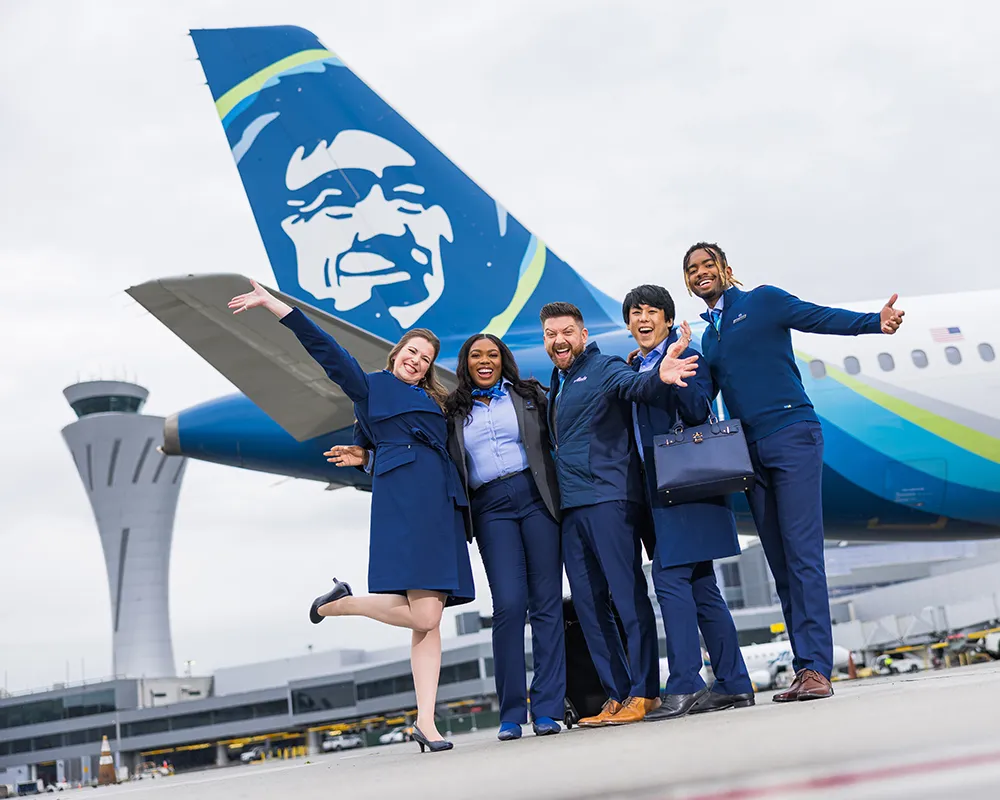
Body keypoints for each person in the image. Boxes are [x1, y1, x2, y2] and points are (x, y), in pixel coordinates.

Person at [227, 280, 474, 753]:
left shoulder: (437, 400)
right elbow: (327, 350)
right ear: (396, 352)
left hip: (441, 505)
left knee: (430, 619)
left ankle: (427, 721)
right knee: (425, 613)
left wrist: (365, 456)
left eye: (424, 358)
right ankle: (337, 605)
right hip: (404, 508)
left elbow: (408, 448)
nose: (417, 360)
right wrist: (276, 306)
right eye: (411, 351)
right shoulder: (371, 387)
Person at [683, 242, 904, 701]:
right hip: (749, 451)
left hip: (791, 434)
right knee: (781, 562)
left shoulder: (762, 300)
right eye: (692, 269)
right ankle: (806, 667)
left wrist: (873, 324)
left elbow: (818, 316)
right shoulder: (709, 337)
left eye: (707, 265)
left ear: (726, 269)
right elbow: (701, 397)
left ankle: (818, 669)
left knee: (803, 554)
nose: (700, 273)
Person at [333, 334, 566, 742]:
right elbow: (411, 443)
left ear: (504, 360)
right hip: (490, 506)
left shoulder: (529, 395)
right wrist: (368, 456)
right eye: (476, 355)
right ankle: (511, 714)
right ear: (465, 364)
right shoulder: (452, 408)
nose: (485, 361)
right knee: (509, 605)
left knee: (546, 604)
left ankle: (547, 709)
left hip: (535, 498)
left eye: (493, 354)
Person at [540, 301, 699, 727]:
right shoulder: (559, 380)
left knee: (627, 598)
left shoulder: (606, 367)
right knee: (590, 607)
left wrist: (660, 376)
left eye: (567, 332)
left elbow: (637, 387)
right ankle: (617, 695)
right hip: (572, 507)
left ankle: (645, 692)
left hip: (608, 499)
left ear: (583, 335)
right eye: (551, 334)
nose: (559, 341)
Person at [621, 285, 754, 721]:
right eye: (635, 313)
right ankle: (734, 683)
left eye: (652, 312)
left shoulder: (685, 355)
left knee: (670, 579)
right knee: (702, 587)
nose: (643, 318)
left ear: (666, 319)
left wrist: (672, 368)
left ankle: (685, 683)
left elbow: (698, 410)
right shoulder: (635, 367)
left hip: (687, 485)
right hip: (664, 489)